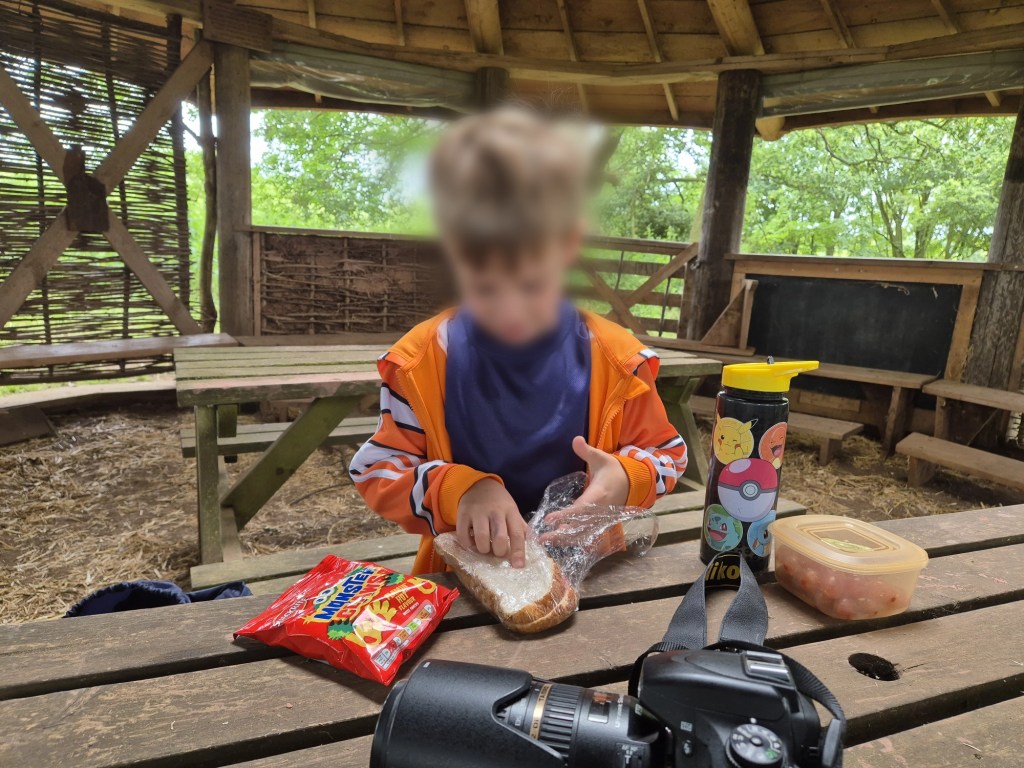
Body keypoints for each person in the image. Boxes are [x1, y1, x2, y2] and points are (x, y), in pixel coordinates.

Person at [350, 107, 687, 574]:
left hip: (593, 577)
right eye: (485, 289)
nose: (510, 311)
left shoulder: (618, 362)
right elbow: (376, 469)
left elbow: (668, 452)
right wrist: (459, 489)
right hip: (464, 582)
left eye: (532, 286)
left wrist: (624, 479)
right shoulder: (420, 363)